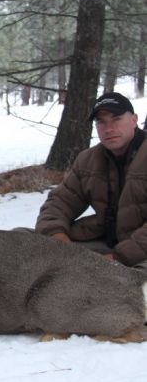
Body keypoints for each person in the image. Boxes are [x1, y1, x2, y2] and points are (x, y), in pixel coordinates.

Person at [35, 91, 147, 271]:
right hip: (105, 241)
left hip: (139, 251)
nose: (109, 129)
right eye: (101, 122)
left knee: (133, 280)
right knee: (21, 240)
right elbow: (59, 203)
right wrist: (57, 238)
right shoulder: (88, 160)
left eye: (116, 119)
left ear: (134, 120)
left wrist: (118, 258)